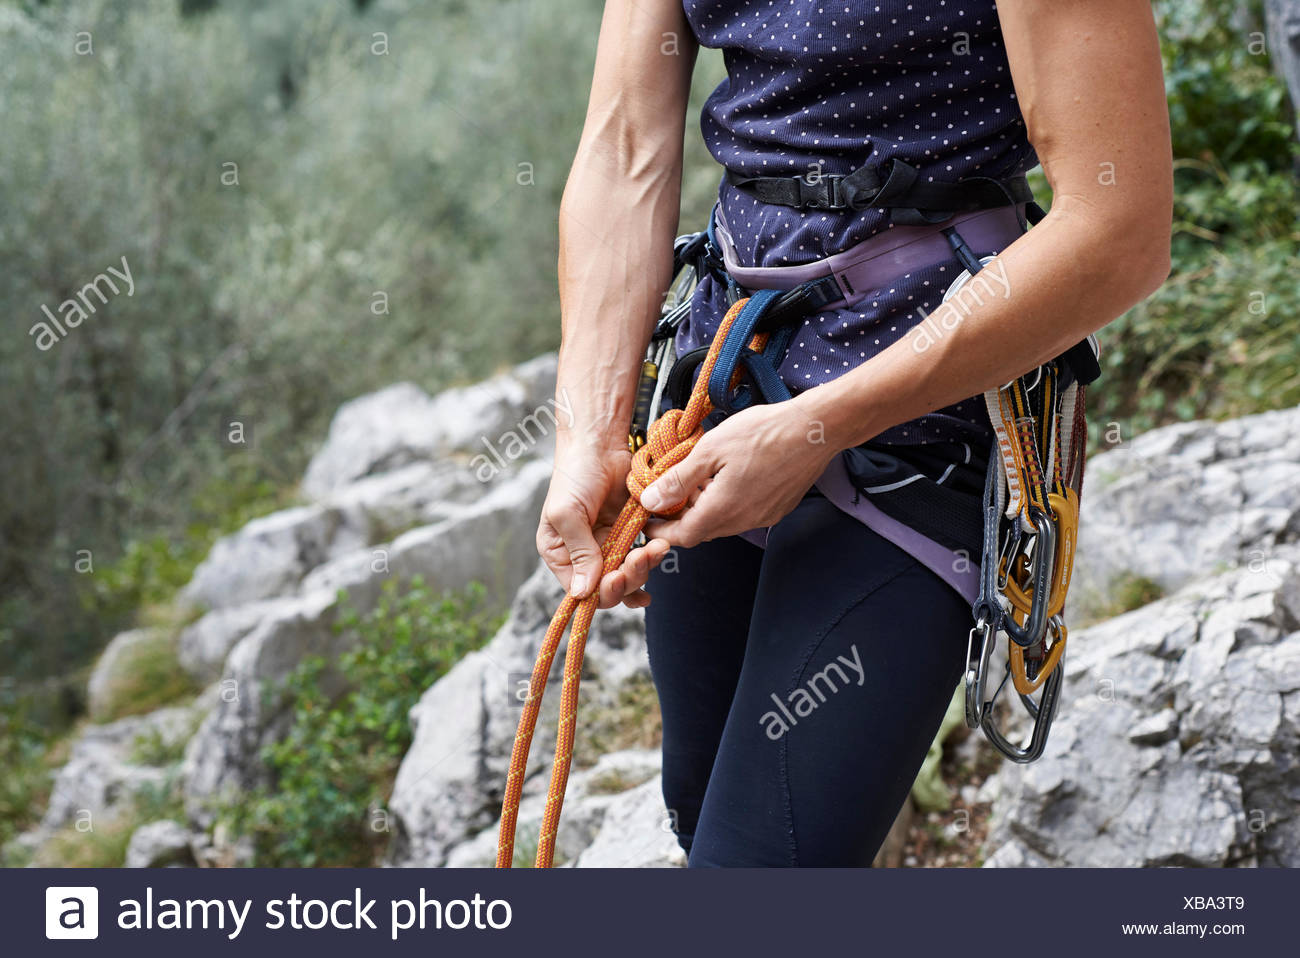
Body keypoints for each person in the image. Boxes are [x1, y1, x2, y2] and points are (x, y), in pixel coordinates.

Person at [536, 0, 1172, 866]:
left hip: (926, 418)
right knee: (701, 812)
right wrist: (587, 432)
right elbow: (622, 152)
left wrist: (818, 427)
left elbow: (1118, 226)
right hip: (717, 392)